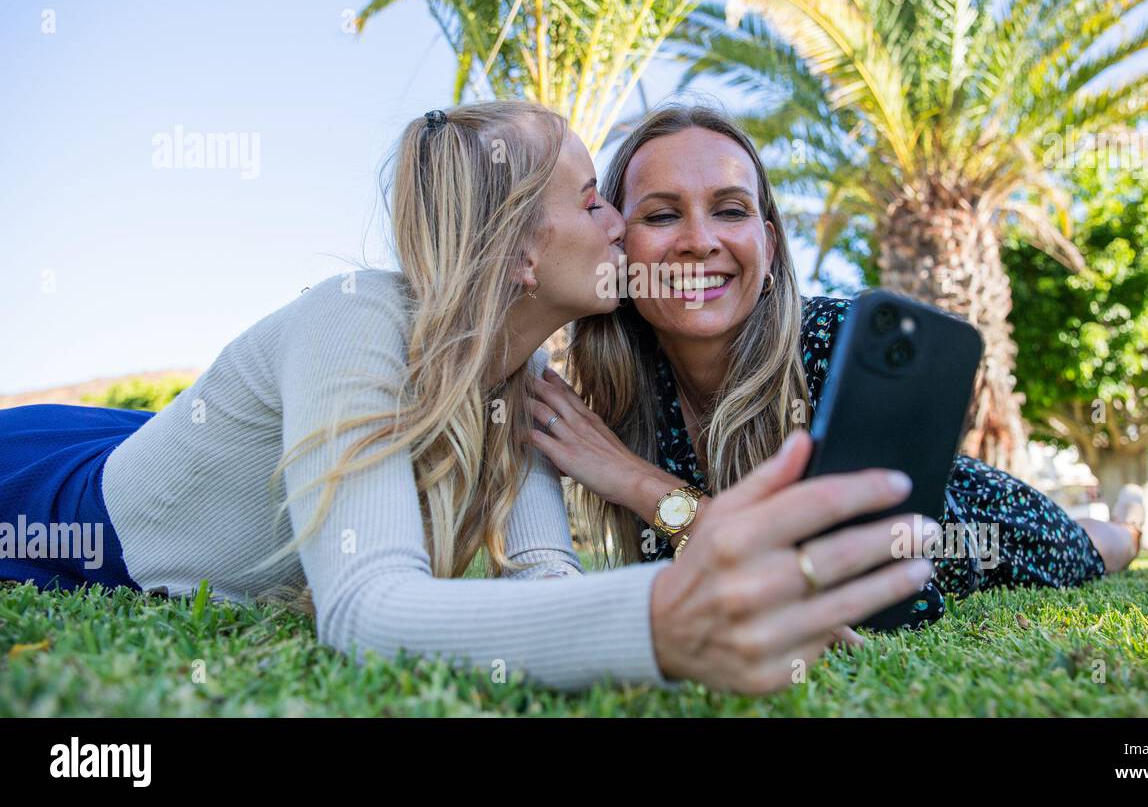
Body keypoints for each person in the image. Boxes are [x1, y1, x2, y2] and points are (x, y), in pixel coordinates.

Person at [0, 101, 935, 694]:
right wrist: (660, 618)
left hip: (154, 446)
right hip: (55, 491)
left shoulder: (521, 384)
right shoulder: (356, 320)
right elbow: (365, 611)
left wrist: (682, 600)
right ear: (520, 250)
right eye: (591, 201)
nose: (623, 223)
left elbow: (544, 576)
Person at [531, 104, 1144, 628]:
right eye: (662, 215)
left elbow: (881, 591)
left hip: (983, 529)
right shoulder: (624, 377)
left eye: (730, 210)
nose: (699, 240)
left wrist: (636, 482)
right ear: (619, 242)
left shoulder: (835, 342)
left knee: (1098, 546)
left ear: (768, 247)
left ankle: (1126, 523)